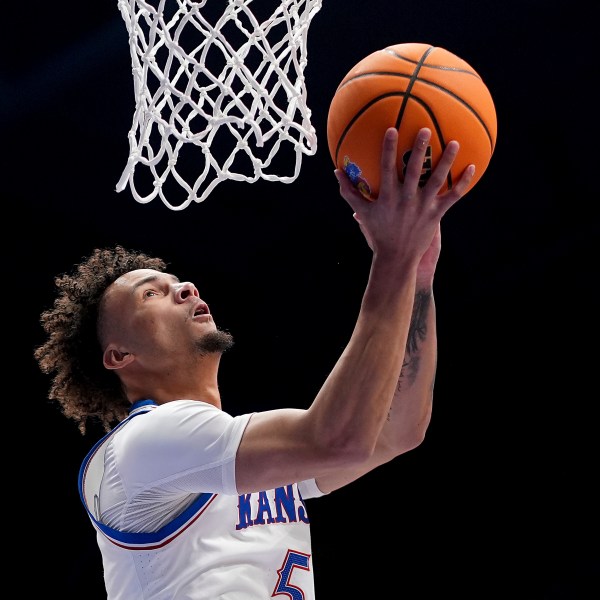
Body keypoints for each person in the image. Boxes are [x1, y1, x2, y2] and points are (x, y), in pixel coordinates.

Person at [34, 127, 474, 600]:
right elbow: (338, 439)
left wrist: (417, 275)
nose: (187, 289)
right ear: (120, 356)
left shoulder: (228, 456)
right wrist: (393, 257)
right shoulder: (144, 445)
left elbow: (397, 431)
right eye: (151, 294)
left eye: (179, 281)